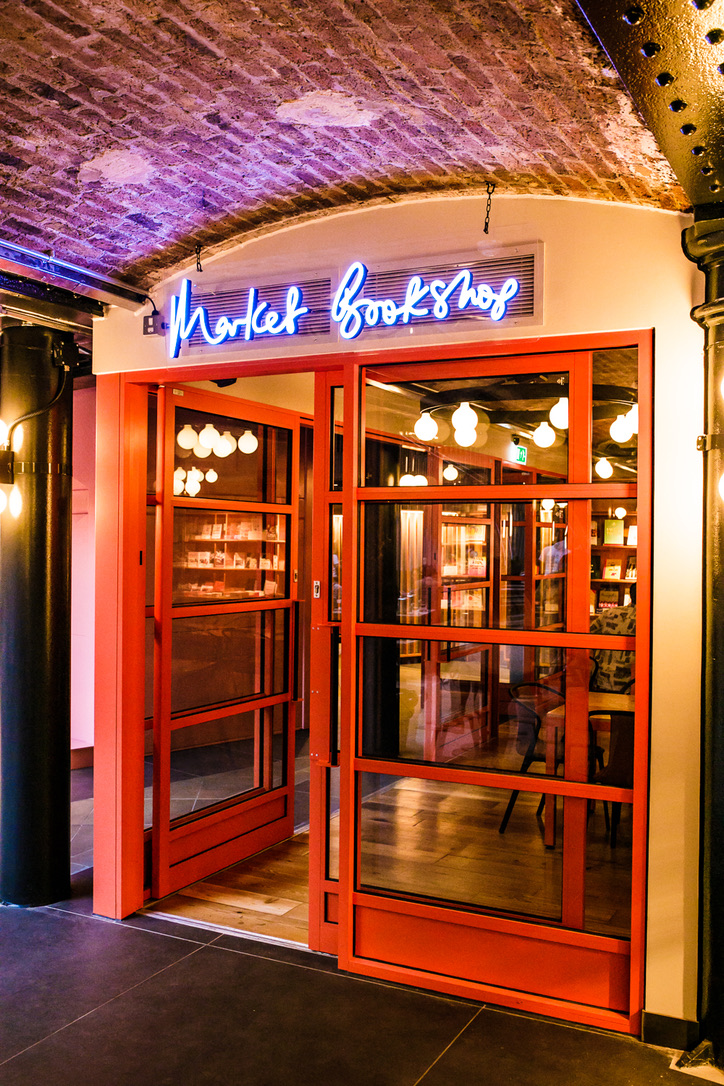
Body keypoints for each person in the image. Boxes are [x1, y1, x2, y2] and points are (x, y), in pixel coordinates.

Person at [589, 582, 636, 692]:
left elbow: (588, 633)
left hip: (602, 678)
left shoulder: (610, 613)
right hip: (630, 683)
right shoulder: (648, 617)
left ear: (630, 596)